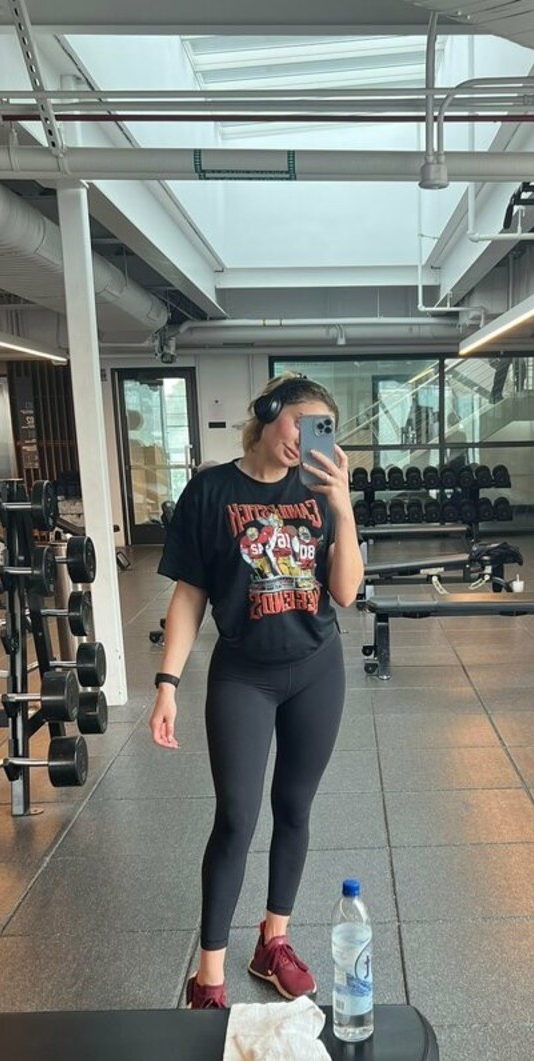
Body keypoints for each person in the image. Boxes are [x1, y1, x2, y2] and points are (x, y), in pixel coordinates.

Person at [151, 373, 364, 1009]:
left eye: (321, 427)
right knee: (237, 818)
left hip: (317, 670)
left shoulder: (321, 489)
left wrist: (344, 506)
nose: (306, 438)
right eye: (300, 421)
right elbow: (189, 594)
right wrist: (167, 683)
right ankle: (208, 978)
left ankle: (274, 942)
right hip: (243, 674)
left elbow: (346, 592)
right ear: (269, 414)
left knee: (294, 809)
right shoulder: (211, 491)